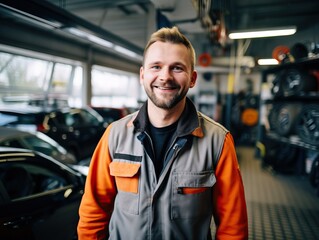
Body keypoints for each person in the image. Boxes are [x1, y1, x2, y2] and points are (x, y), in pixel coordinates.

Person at [77, 26, 248, 240]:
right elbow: (94, 211)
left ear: (192, 78)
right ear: (142, 75)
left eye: (177, 68)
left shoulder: (218, 141)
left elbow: (233, 226)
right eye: (156, 66)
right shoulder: (115, 135)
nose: (165, 77)